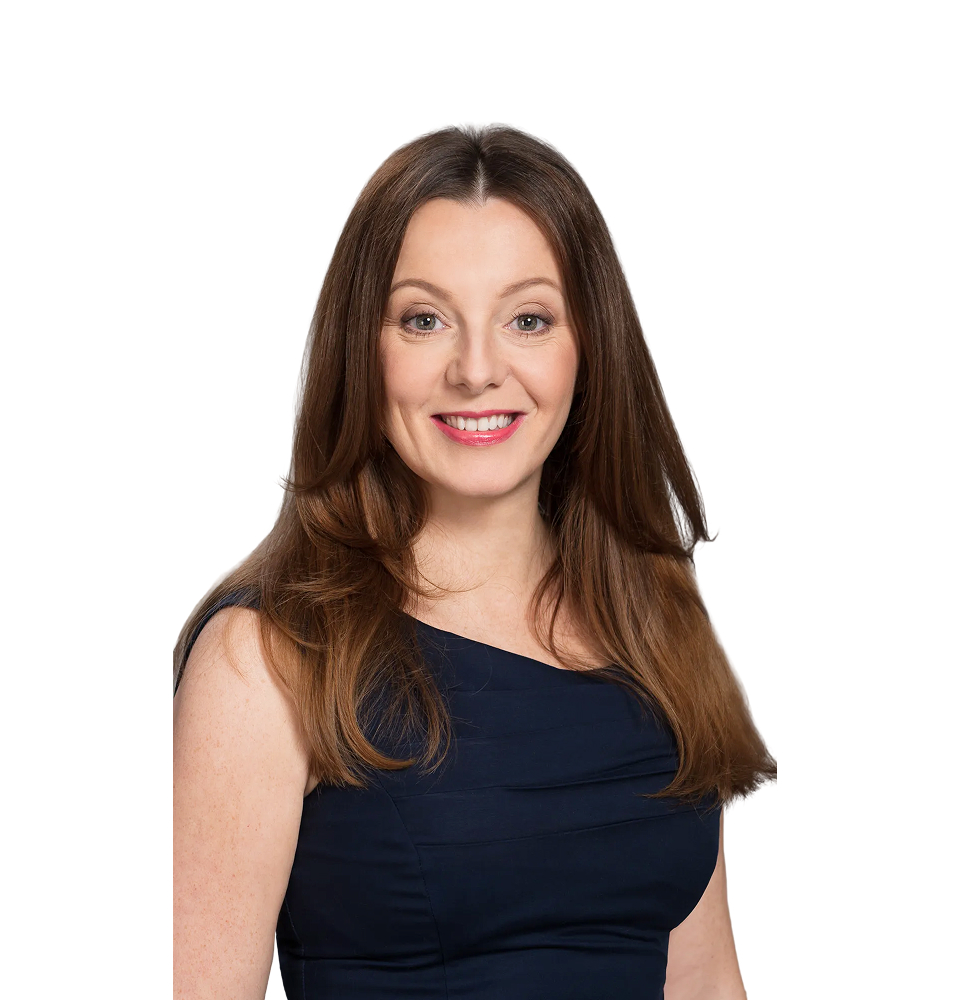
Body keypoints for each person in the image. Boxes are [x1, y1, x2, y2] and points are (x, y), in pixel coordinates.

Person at [173, 124, 776, 1000]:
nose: (478, 369)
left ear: (588, 346)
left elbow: (707, 983)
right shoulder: (266, 659)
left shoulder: (652, 616)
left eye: (528, 319)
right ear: (363, 347)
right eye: (425, 320)